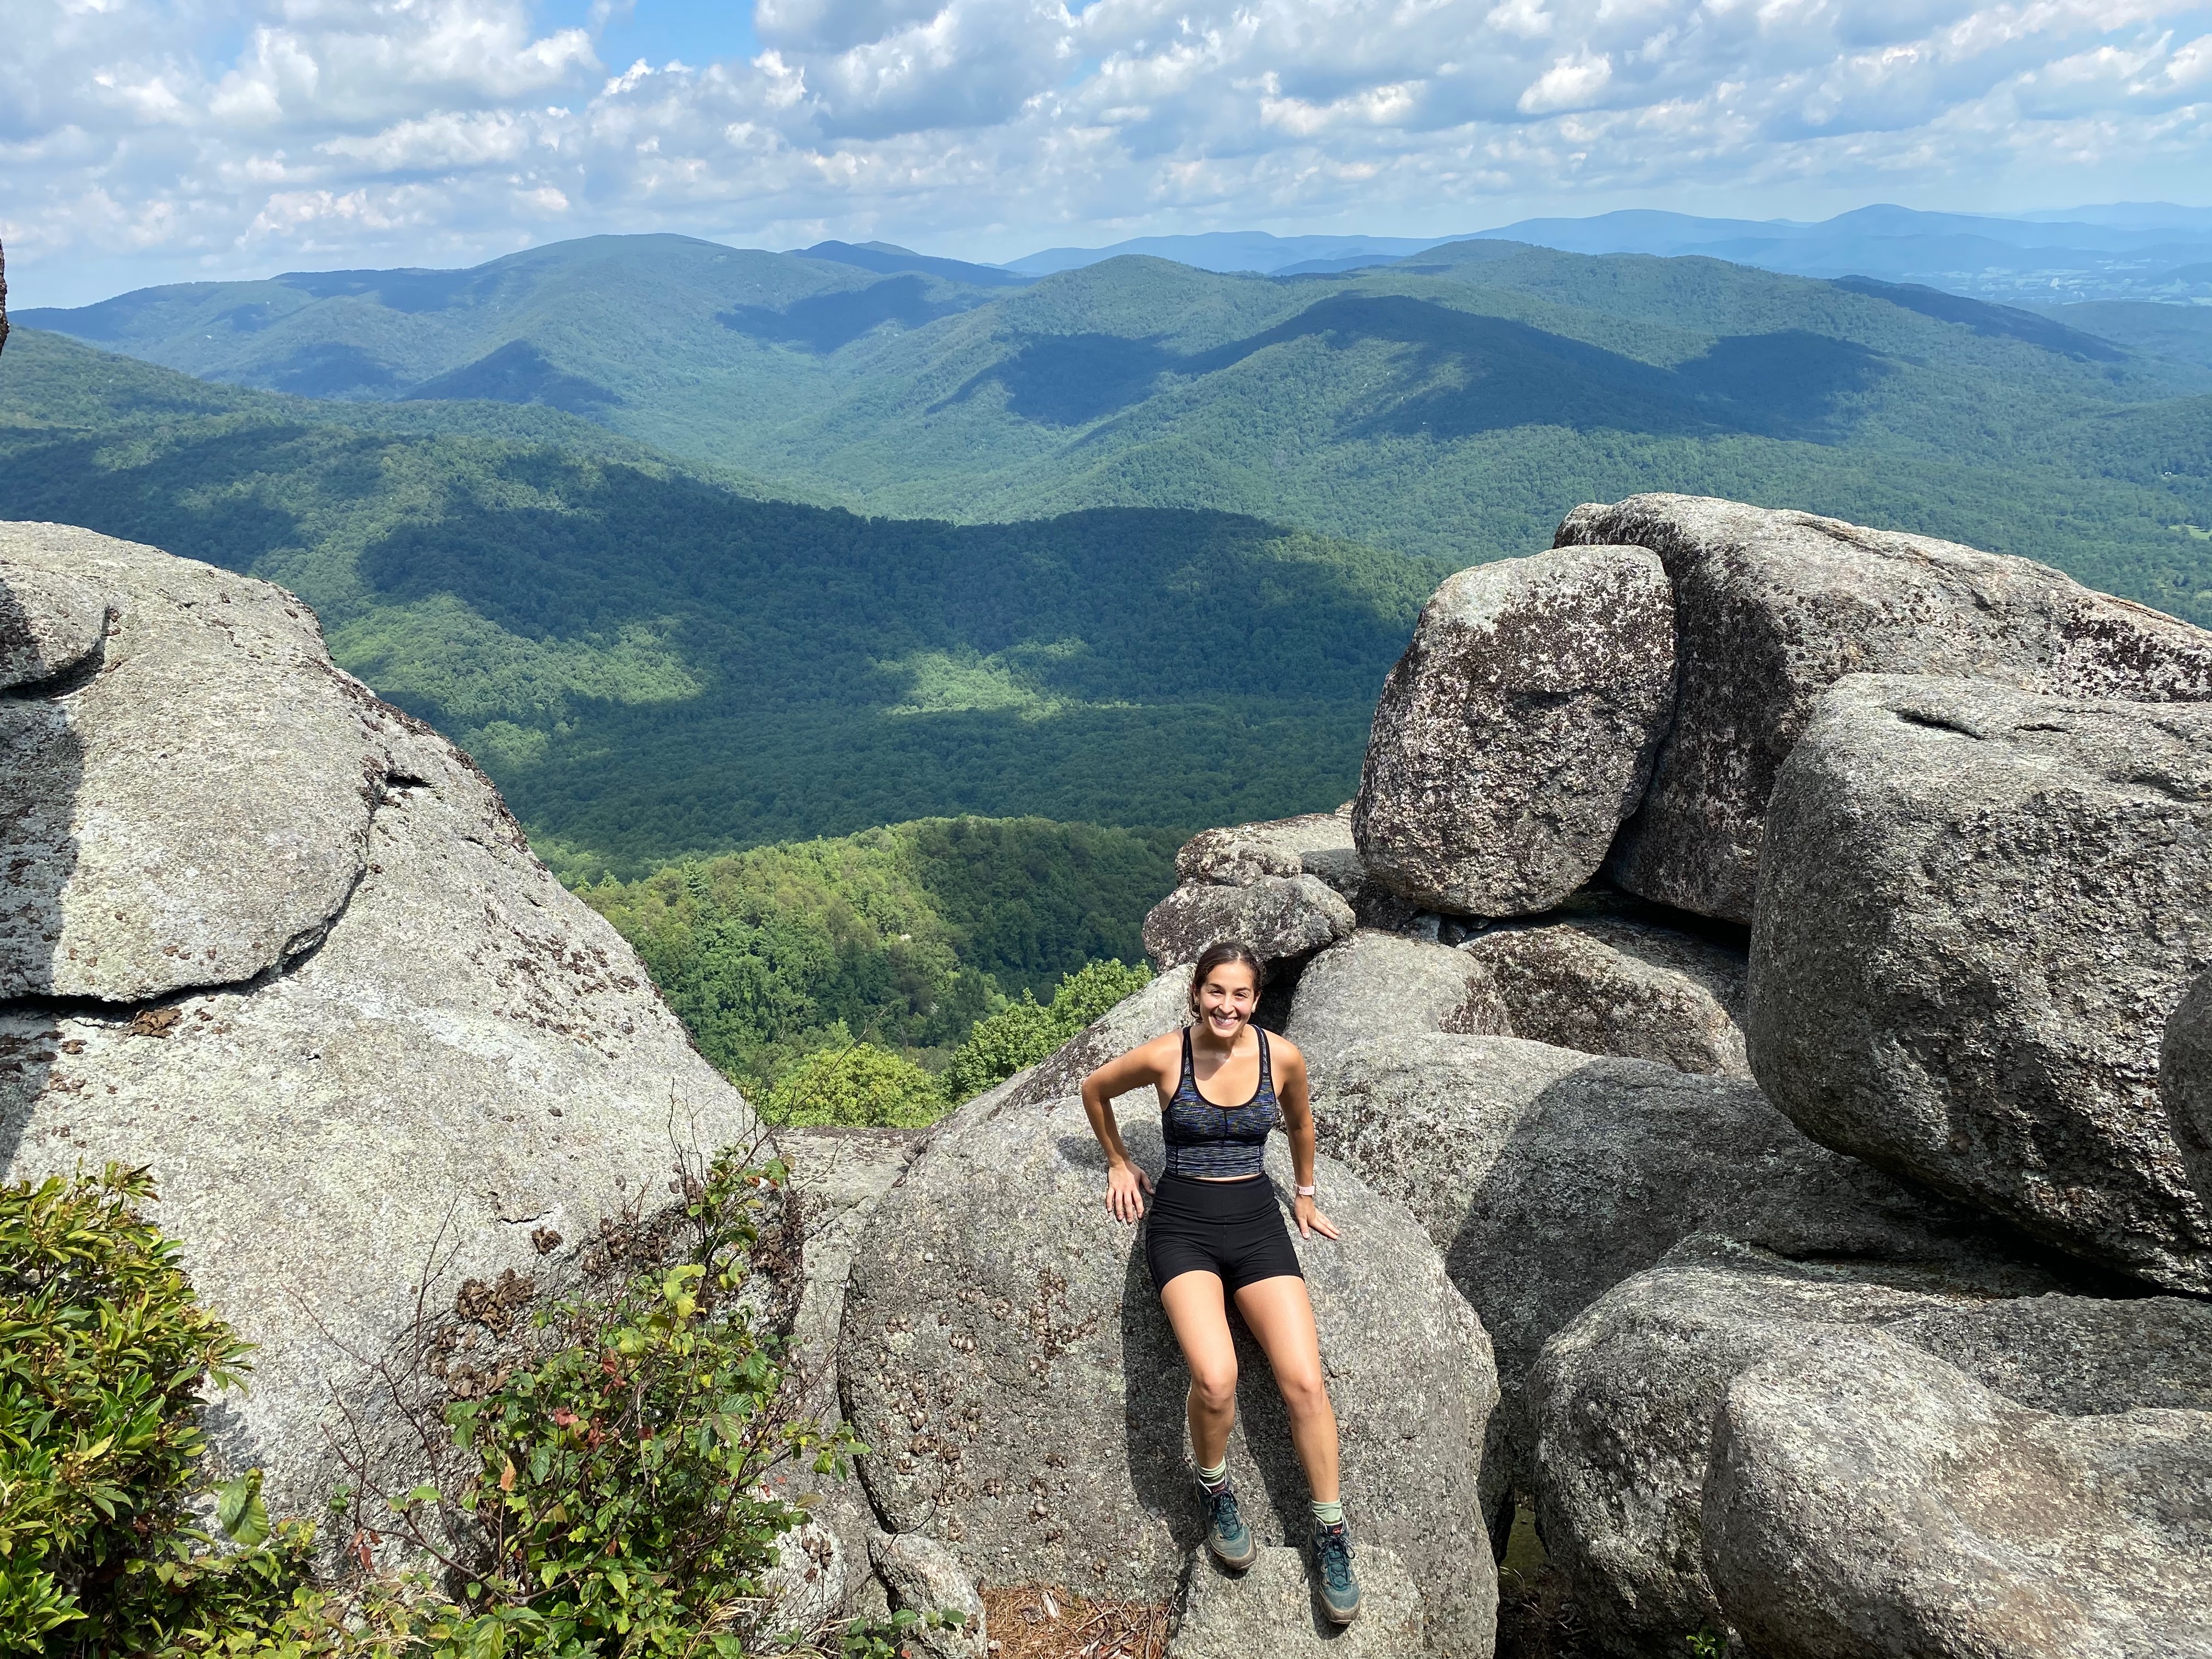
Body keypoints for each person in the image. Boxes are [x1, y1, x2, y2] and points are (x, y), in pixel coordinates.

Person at [1077, 940, 1360, 1624]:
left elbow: (1298, 1121)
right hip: (1183, 1227)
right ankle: (1215, 1487)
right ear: (1195, 993)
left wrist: (1307, 1194)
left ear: (1255, 1001)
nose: (1226, 1006)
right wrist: (1118, 1161)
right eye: (1215, 992)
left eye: (1240, 995)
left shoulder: (1280, 1056)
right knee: (1216, 1379)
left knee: (1304, 1383)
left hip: (1256, 1224)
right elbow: (1094, 1089)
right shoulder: (1165, 1054)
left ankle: (1331, 1531)